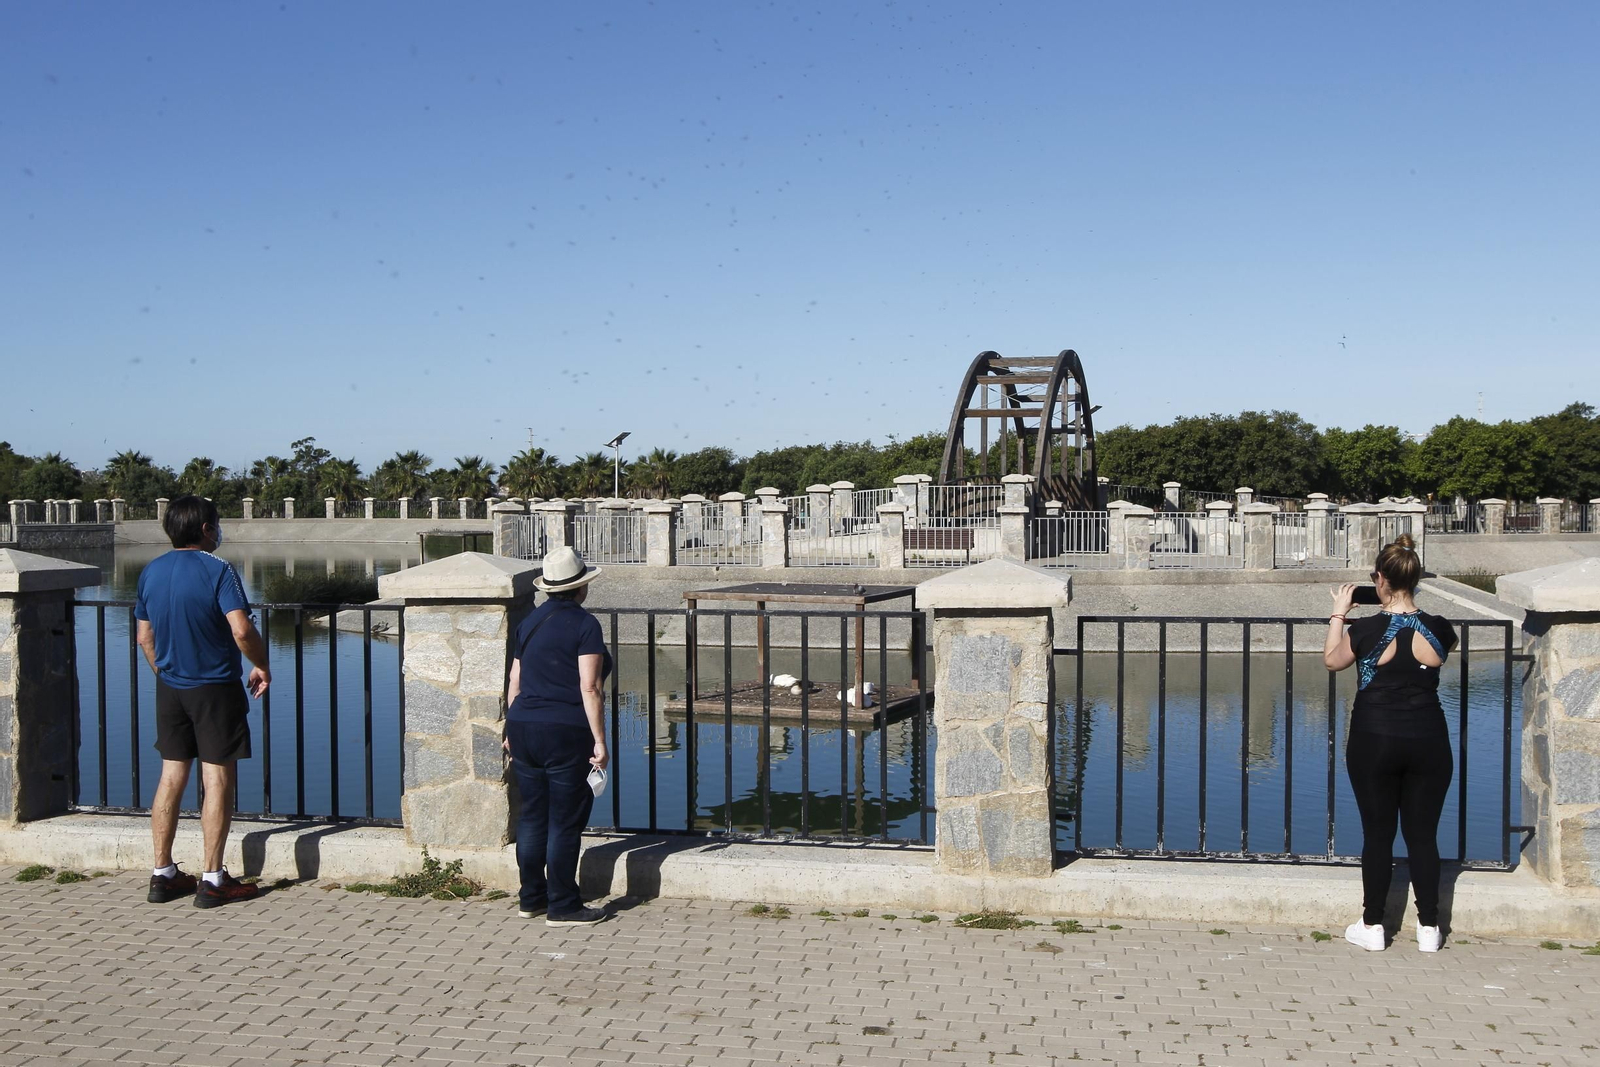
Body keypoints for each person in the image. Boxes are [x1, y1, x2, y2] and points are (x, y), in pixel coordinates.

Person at [1323, 532, 1457, 952]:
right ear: (1415, 579)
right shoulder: (1440, 629)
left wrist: (1339, 614)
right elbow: (1436, 649)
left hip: (1373, 739)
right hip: (1429, 739)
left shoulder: (1365, 629)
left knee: (1378, 834)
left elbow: (1332, 661)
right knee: (1423, 836)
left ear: (1379, 579)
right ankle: (1430, 929)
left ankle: (1373, 925)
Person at [134, 495, 270, 908]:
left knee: (171, 775)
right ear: (207, 529)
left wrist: (165, 673)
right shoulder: (219, 570)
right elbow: (241, 630)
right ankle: (213, 880)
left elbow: (144, 637)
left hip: (170, 687)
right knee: (217, 780)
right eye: (217, 524)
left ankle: (163, 874)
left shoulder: (151, 571)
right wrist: (262, 665)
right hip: (214, 688)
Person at [503, 546, 612, 927]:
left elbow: (515, 681)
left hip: (523, 727)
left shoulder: (529, 622)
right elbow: (590, 687)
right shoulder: (585, 625)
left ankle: (531, 897)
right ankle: (563, 905)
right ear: (581, 588)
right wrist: (599, 741)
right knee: (565, 820)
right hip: (565, 731)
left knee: (533, 815)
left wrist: (509, 728)